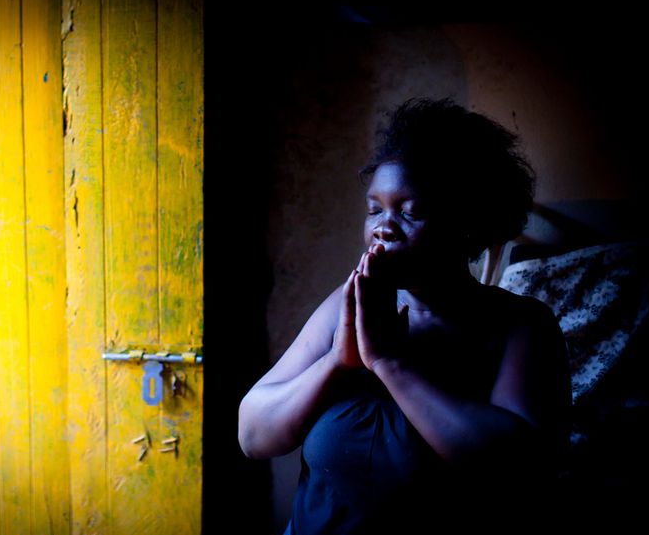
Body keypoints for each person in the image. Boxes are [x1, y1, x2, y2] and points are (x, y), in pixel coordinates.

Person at [238, 98, 572, 532]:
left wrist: (390, 364)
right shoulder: (347, 306)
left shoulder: (520, 326)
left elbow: (517, 469)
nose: (383, 227)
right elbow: (253, 437)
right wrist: (337, 363)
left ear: (466, 223)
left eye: (410, 212)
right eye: (374, 209)